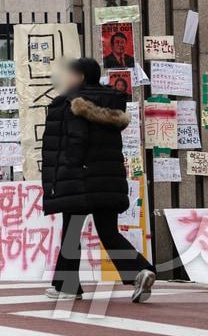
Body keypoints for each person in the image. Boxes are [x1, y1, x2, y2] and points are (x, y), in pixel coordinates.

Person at [41, 57, 155, 302]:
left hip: (79, 178)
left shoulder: (69, 102)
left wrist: (67, 169)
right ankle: (140, 270)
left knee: (71, 232)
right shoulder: (113, 102)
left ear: (80, 76)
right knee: (108, 231)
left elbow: (76, 139)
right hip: (108, 179)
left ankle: (67, 286)